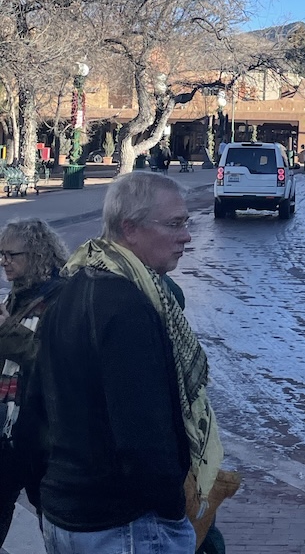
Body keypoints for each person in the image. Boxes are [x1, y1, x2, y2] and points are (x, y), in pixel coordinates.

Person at [27, 172, 226, 554]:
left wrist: (45, 497)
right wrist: (171, 512)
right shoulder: (131, 307)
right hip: (124, 526)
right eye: (174, 224)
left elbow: (36, 413)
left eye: (185, 222)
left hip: (67, 515)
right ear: (130, 229)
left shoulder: (70, 290)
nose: (187, 235)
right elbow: (143, 436)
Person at [0, 219, 67, 548]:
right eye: (0, 254)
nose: (4, 262)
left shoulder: (61, 297)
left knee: (51, 516)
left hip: (39, 431)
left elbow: (48, 356)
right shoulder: (17, 296)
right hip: (9, 428)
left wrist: (4, 330)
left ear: (38, 254)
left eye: (11, 255)